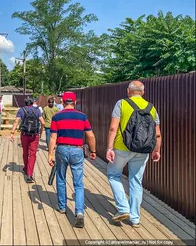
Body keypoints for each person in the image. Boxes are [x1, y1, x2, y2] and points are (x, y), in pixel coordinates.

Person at [106, 80, 161, 228]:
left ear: (128, 91)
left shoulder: (121, 104)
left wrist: (109, 148)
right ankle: (135, 219)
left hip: (121, 148)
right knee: (136, 182)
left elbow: (113, 128)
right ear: (143, 92)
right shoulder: (152, 108)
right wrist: (157, 150)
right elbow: (157, 134)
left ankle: (123, 208)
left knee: (113, 175)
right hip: (143, 150)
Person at [48, 91, 96, 228]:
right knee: (78, 183)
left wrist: (50, 154)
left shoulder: (56, 116)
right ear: (75, 103)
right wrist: (93, 151)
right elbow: (91, 136)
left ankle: (62, 207)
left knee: (61, 178)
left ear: (63, 102)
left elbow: (53, 137)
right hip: (77, 149)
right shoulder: (82, 116)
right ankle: (79, 212)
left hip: (62, 149)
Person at [11, 98, 45, 183]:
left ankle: (26, 168)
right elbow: (43, 122)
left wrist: (12, 133)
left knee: (25, 152)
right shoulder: (37, 110)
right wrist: (40, 131)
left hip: (24, 134)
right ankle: (29, 175)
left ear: (25, 103)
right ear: (32, 103)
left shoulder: (21, 110)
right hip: (34, 135)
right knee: (32, 154)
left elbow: (16, 121)